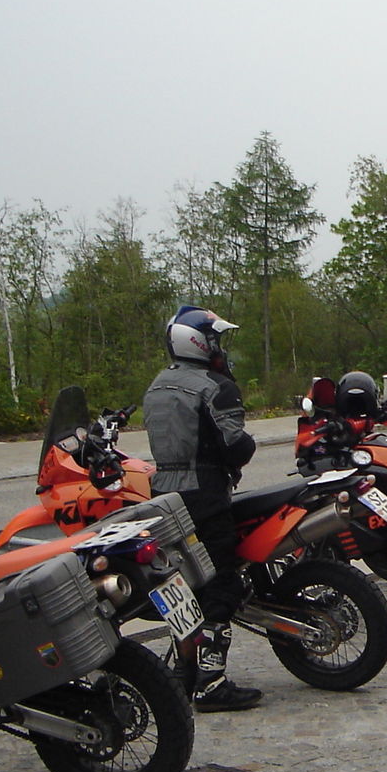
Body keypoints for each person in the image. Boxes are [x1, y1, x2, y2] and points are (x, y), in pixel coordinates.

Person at [144, 305, 262, 711]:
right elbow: (236, 446)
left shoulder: (156, 386)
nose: (219, 347)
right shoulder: (215, 386)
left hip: (162, 496)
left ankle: (183, 672)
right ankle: (211, 682)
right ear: (197, 342)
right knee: (220, 583)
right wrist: (247, 444)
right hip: (205, 495)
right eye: (215, 339)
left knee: (181, 587)